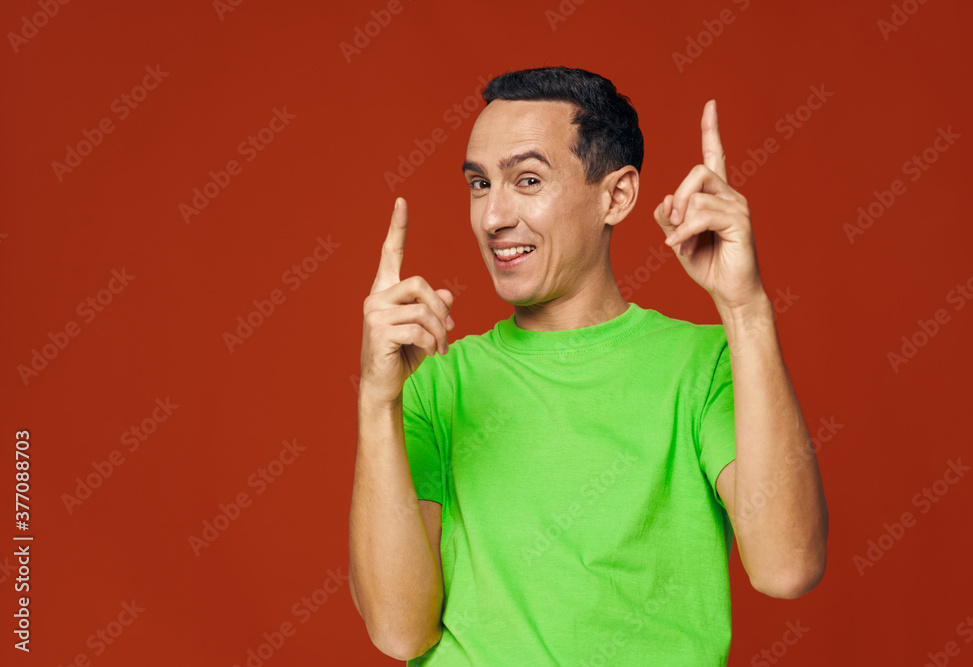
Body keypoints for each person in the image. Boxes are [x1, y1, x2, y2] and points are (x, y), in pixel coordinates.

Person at [349, 66, 828, 665]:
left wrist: (745, 309)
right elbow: (398, 632)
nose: (493, 216)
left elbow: (788, 567)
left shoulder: (704, 367)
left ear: (616, 196)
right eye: (479, 184)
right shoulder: (436, 381)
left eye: (527, 180)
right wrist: (376, 400)